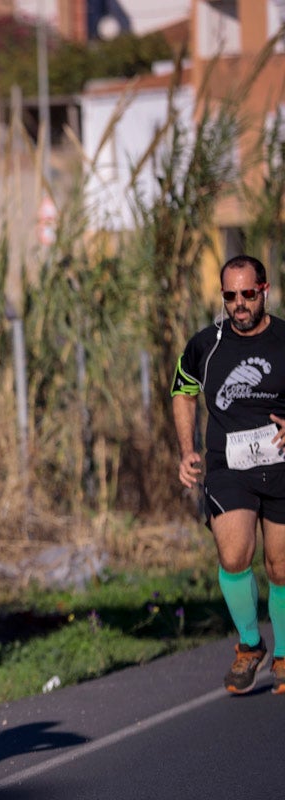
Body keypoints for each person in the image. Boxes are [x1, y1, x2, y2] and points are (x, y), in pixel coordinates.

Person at [173, 253, 285, 695]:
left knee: (279, 566)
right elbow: (182, 393)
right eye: (230, 296)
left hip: (280, 465)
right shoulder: (206, 345)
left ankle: (284, 655)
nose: (239, 304)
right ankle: (250, 645)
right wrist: (186, 451)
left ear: (264, 291)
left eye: (247, 295)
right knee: (234, 555)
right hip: (228, 467)